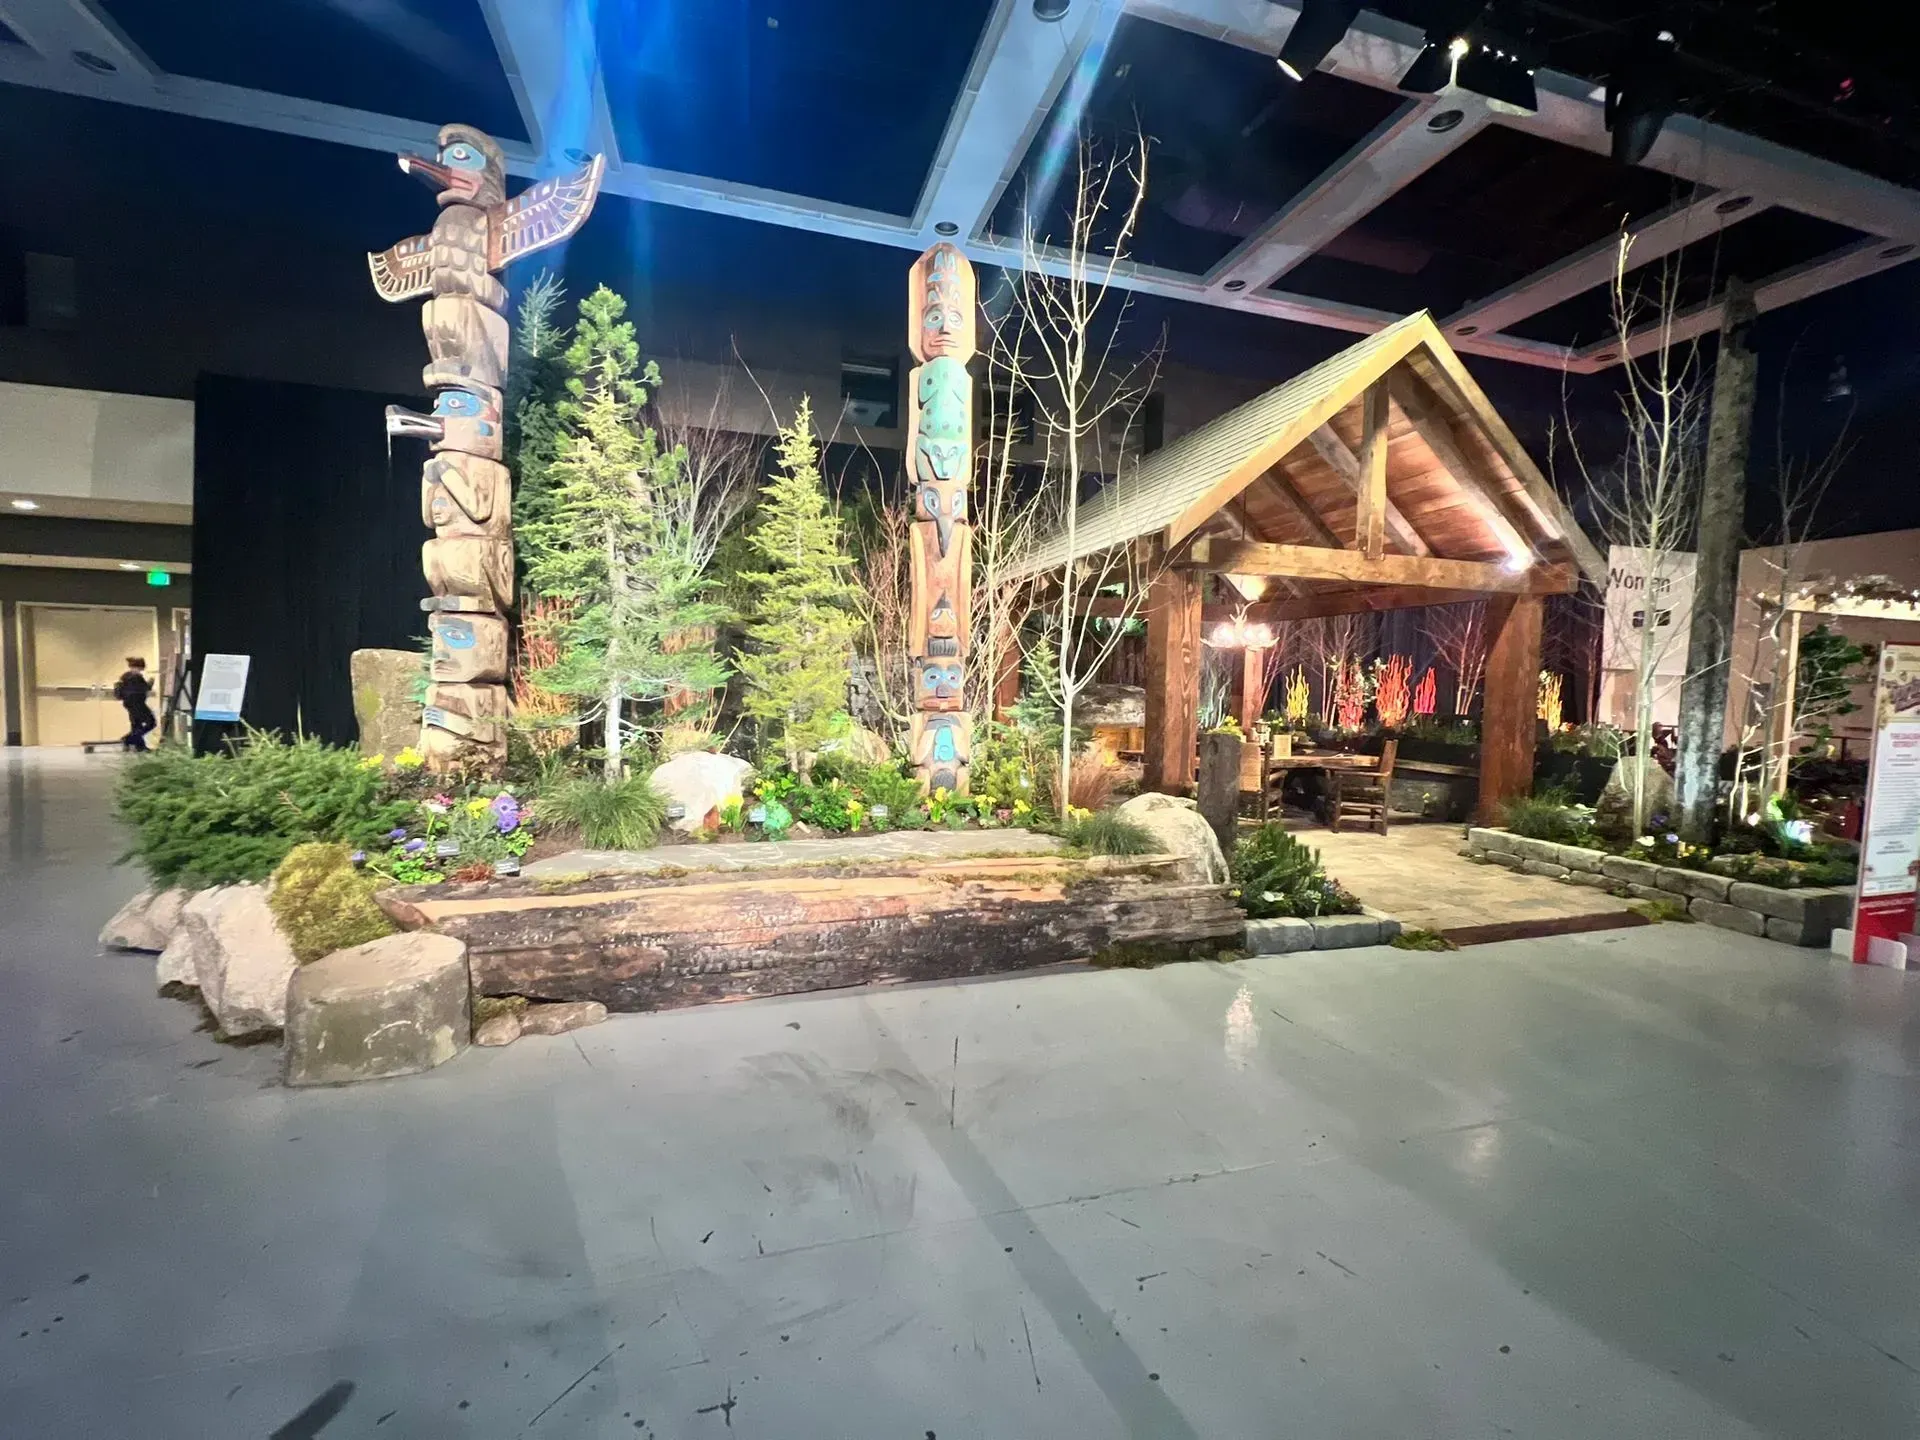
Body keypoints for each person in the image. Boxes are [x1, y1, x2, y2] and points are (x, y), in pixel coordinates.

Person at [114, 656, 156, 752]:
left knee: (136, 724)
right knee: (151, 722)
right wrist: (151, 682)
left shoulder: (124, 676)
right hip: (138, 704)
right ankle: (128, 739)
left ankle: (139, 746)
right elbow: (145, 689)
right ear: (138, 667)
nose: (142, 670)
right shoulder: (136, 677)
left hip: (129, 704)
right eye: (141, 668)